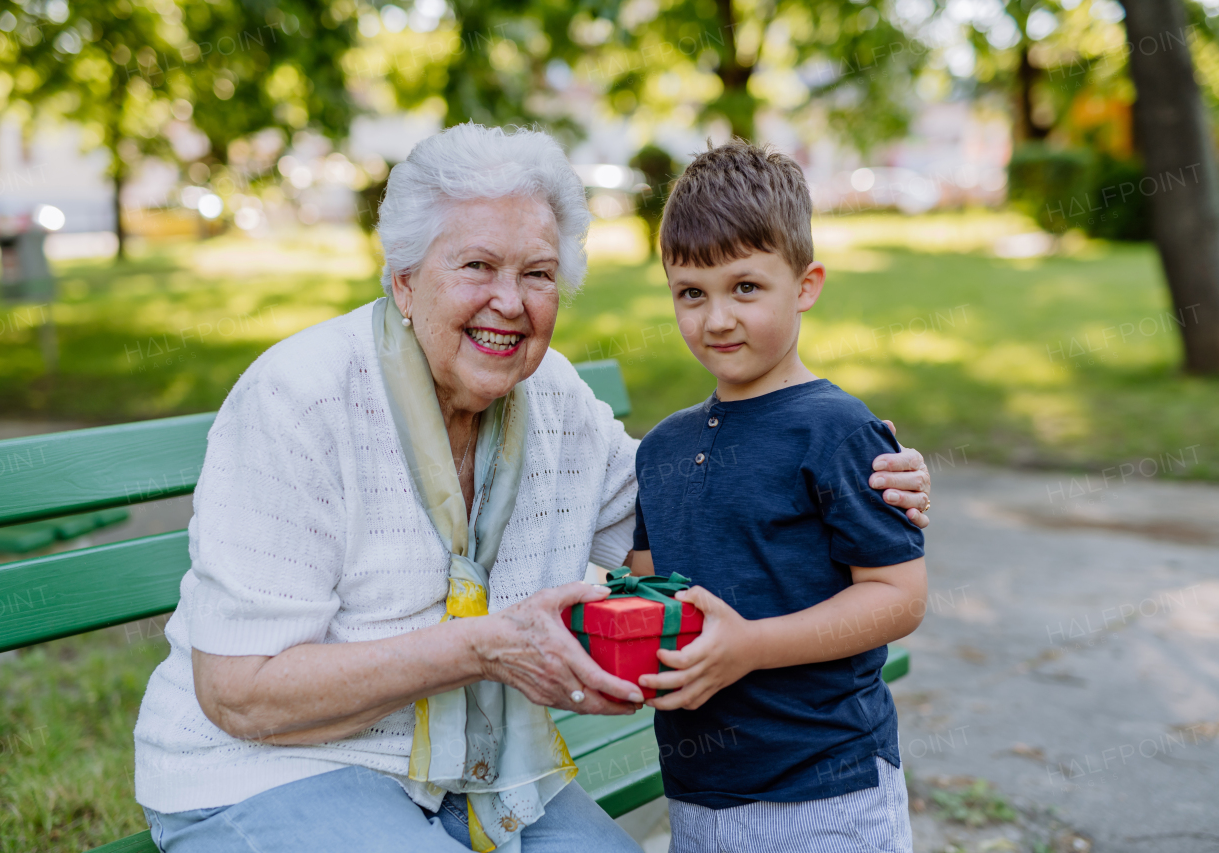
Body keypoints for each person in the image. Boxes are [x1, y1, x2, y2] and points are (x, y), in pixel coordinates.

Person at [131, 123, 933, 853]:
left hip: (484, 773)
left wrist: (869, 470)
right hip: (274, 770)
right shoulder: (302, 398)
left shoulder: (551, 398)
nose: (509, 303)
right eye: (476, 265)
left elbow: (697, 499)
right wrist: (482, 646)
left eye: (538, 274)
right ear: (404, 281)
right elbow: (239, 693)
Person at [628, 140, 927, 853]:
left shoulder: (838, 428)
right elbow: (650, 586)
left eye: (746, 287)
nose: (717, 318)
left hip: (826, 786)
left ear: (806, 284)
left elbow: (897, 595)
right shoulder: (662, 448)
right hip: (700, 791)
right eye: (691, 292)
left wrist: (753, 645)